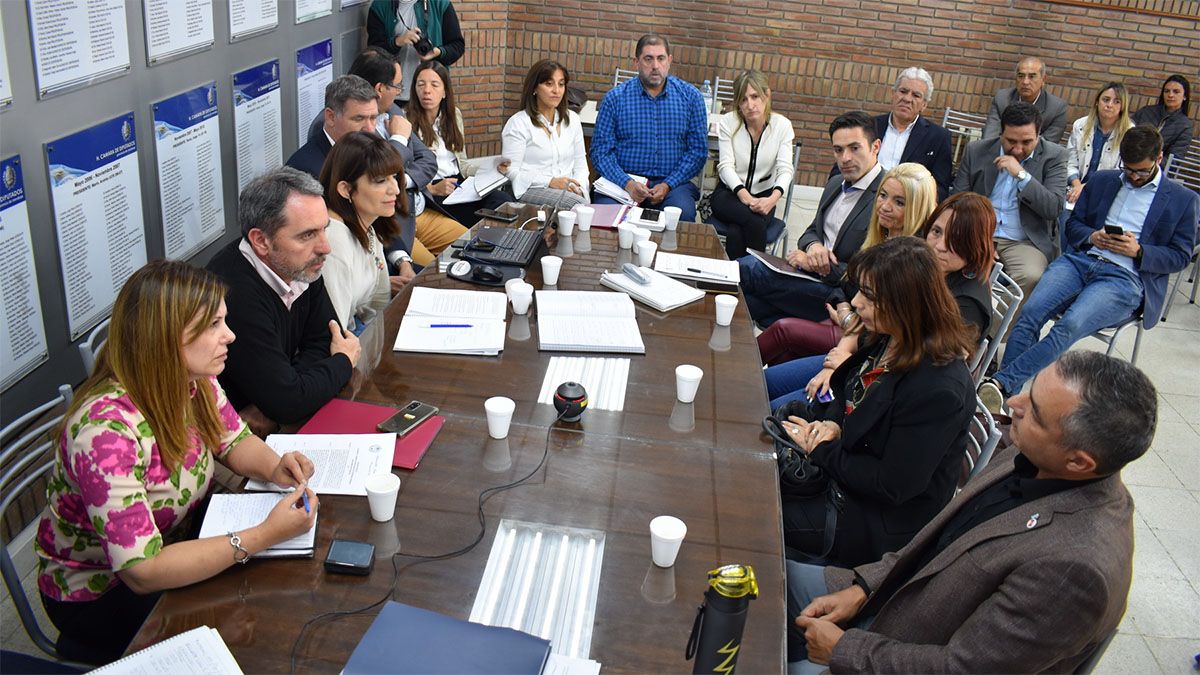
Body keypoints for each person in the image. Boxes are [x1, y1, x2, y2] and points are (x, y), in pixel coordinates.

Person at [787, 351, 1157, 674]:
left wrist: (845, 650)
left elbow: (963, 669)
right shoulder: (1033, 454)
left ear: (1079, 462)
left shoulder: (1076, 571)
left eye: (1036, 413)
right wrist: (863, 588)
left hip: (894, 651)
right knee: (762, 574)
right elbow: (939, 540)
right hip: (883, 598)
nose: (1013, 402)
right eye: (1030, 389)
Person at [35, 260, 319, 664]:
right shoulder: (104, 434)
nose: (230, 335)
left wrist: (276, 467)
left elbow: (234, 440)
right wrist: (260, 537)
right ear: (165, 338)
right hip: (101, 593)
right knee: (250, 635)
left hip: (178, 539)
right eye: (214, 325)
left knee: (272, 603)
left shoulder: (193, 378)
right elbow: (142, 570)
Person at [773, 236, 975, 568]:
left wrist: (820, 449)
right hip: (846, 478)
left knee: (756, 503)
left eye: (868, 295)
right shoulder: (893, 337)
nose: (854, 302)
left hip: (873, 522)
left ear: (906, 302)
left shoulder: (939, 387)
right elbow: (852, 398)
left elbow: (891, 485)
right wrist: (831, 425)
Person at [979, 125, 1195, 409]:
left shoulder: (1183, 199)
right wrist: (1093, 236)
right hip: (1081, 262)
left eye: (1141, 171)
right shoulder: (1104, 181)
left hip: (1126, 278)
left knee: (1070, 325)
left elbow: (1180, 256)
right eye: (1128, 168)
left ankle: (1003, 385)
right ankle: (1007, 398)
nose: (1133, 176)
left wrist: (1140, 251)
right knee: (1030, 312)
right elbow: (1074, 224)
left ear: (1159, 158)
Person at [763, 191, 995, 395]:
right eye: (936, 231)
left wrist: (845, 365)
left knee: (773, 386)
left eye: (955, 239)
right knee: (769, 379)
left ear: (976, 244)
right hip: (861, 355)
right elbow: (856, 297)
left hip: (875, 387)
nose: (939, 245)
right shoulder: (922, 263)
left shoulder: (968, 305)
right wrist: (839, 356)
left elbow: (919, 376)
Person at [207, 167, 361, 436]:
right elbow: (290, 401)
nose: (326, 247)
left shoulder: (300, 265)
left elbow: (325, 340)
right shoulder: (233, 294)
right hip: (232, 441)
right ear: (261, 241)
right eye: (307, 235)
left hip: (276, 423)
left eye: (323, 230)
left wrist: (288, 391)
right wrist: (343, 362)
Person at [757, 162, 938, 367]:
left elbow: (888, 325)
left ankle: (736, 372)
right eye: (883, 195)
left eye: (899, 202)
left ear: (918, 207)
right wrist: (844, 308)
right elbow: (848, 282)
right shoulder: (880, 235)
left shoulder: (914, 257)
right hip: (847, 319)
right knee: (784, 354)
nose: (885, 206)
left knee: (783, 328)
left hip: (866, 341)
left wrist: (846, 319)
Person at [287, 73, 464, 267]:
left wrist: (402, 260)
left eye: (373, 117)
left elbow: (377, 217)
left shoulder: (366, 141)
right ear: (330, 117)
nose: (370, 128)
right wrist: (387, 279)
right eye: (359, 118)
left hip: (396, 237)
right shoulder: (306, 170)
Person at [738, 111, 885, 327]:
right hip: (811, 282)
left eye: (854, 148)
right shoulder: (836, 183)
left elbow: (871, 275)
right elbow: (810, 232)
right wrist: (815, 246)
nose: (845, 158)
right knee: (749, 303)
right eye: (838, 150)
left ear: (875, 147)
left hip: (843, 293)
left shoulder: (887, 197)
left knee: (752, 269)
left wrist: (813, 264)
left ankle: (688, 280)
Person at [953, 101, 1068, 305]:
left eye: (1026, 142)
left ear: (1038, 135)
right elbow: (958, 200)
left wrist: (1022, 176)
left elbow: (1054, 208)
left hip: (1023, 240)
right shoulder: (976, 150)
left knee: (1031, 276)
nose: (1017, 149)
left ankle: (991, 334)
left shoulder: (1055, 156)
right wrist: (978, 238)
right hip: (978, 231)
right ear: (1000, 134)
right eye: (1011, 141)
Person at [590, 33, 708, 222]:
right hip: (622, 183)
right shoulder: (615, 98)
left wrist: (668, 184)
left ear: (669, 60)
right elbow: (600, 152)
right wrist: (627, 183)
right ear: (636, 62)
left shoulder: (691, 98)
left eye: (660, 58)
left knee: (680, 216)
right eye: (648, 59)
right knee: (606, 219)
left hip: (673, 184)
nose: (655, 66)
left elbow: (698, 152)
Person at [318, 131, 411, 331]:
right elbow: (336, 333)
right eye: (380, 181)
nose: (395, 189)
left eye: (394, 177)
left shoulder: (368, 223)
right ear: (345, 189)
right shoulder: (333, 241)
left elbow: (377, 303)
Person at [407, 60, 513, 226]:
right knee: (474, 216)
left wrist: (492, 168)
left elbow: (463, 166)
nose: (427, 90)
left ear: (444, 92)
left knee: (503, 201)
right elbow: (406, 170)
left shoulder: (453, 115)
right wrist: (432, 188)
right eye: (421, 84)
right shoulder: (406, 120)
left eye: (434, 85)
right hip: (431, 187)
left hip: (457, 183)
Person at [831, 67, 952, 200]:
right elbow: (841, 166)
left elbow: (939, 188)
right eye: (903, 91)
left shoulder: (938, 137)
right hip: (859, 199)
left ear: (924, 105)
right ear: (893, 94)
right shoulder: (869, 126)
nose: (907, 98)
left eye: (916, 95)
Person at [712, 70, 795, 259]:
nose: (750, 105)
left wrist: (773, 198)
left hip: (765, 198)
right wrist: (746, 197)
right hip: (729, 194)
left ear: (767, 95)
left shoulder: (782, 126)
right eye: (743, 99)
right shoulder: (728, 123)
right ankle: (758, 280)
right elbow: (725, 166)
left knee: (736, 231)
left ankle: (733, 281)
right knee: (755, 223)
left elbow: (785, 169)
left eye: (755, 96)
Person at [502, 59, 591, 210]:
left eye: (561, 84)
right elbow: (509, 170)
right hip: (530, 188)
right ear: (535, 87)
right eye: (549, 84)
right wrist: (550, 181)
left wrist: (578, 187)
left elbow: (581, 165)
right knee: (578, 207)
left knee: (580, 204)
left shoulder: (573, 120)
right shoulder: (518, 123)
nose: (557, 90)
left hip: (569, 191)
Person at [366, 0, 464, 105]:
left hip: (429, 94)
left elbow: (457, 46)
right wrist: (397, 42)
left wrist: (439, 52)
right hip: (394, 94)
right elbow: (374, 52)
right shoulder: (380, 6)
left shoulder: (440, 4)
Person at [1066, 82, 1133, 208]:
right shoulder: (1080, 125)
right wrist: (1077, 185)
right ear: (1097, 102)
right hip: (1074, 188)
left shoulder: (1129, 132)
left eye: (1116, 101)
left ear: (1123, 106)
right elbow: (1070, 161)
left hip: (1106, 193)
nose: (1109, 105)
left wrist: (1084, 188)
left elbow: (1121, 172)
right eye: (1106, 100)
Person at [982, 57, 1069, 142]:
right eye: (1021, 76)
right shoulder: (1002, 98)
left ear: (1043, 79)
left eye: (1032, 76)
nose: (1025, 82)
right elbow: (990, 137)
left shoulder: (1057, 108)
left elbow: (1047, 146)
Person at [1132, 74, 1193, 166]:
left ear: (1185, 96)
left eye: (1176, 92)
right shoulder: (1146, 111)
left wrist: (1149, 164)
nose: (1170, 95)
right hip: (1129, 160)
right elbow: (1126, 132)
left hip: (1155, 169)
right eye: (1166, 91)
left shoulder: (1185, 126)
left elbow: (1174, 159)